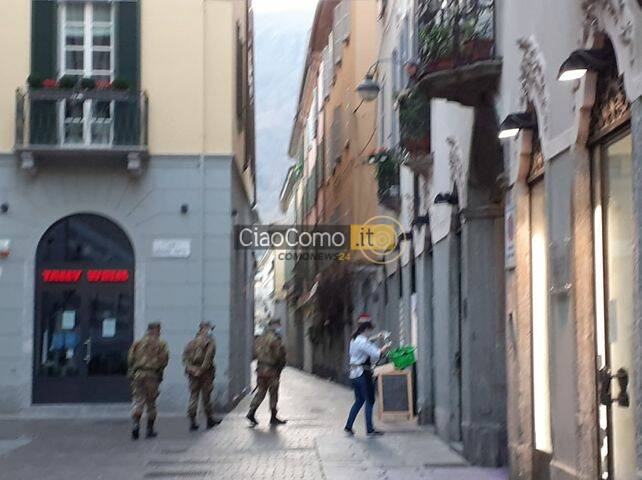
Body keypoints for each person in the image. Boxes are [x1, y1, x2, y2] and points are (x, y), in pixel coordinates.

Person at [344, 320, 390, 436]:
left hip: (354, 373)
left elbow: (367, 342)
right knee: (370, 400)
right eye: (370, 331)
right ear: (366, 330)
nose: (370, 333)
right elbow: (377, 353)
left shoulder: (354, 339)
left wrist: (377, 337)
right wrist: (386, 347)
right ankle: (370, 429)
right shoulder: (363, 342)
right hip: (363, 374)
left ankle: (348, 426)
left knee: (359, 401)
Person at [127, 322, 169, 440]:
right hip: (152, 375)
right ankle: (150, 429)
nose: (160, 332)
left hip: (138, 375)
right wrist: (159, 371)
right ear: (155, 330)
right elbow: (164, 360)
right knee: (151, 403)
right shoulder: (161, 344)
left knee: (138, 401)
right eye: (159, 329)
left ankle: (136, 426)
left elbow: (130, 359)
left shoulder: (137, 343)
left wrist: (133, 371)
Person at [246, 318, 287, 427]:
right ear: (275, 325)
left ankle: (251, 412)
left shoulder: (260, 338)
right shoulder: (275, 339)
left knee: (261, 392)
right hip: (271, 370)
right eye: (278, 325)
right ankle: (273, 417)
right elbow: (278, 355)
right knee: (273, 392)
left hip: (260, 370)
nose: (279, 327)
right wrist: (281, 363)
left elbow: (255, 353)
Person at [183, 322, 220, 431]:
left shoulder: (191, 343)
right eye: (209, 329)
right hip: (206, 374)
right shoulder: (210, 343)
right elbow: (208, 359)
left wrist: (192, 369)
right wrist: (201, 370)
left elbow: (185, 358)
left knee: (193, 396)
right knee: (206, 397)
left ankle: (192, 421)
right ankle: (209, 420)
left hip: (193, 373)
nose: (210, 331)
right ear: (203, 329)